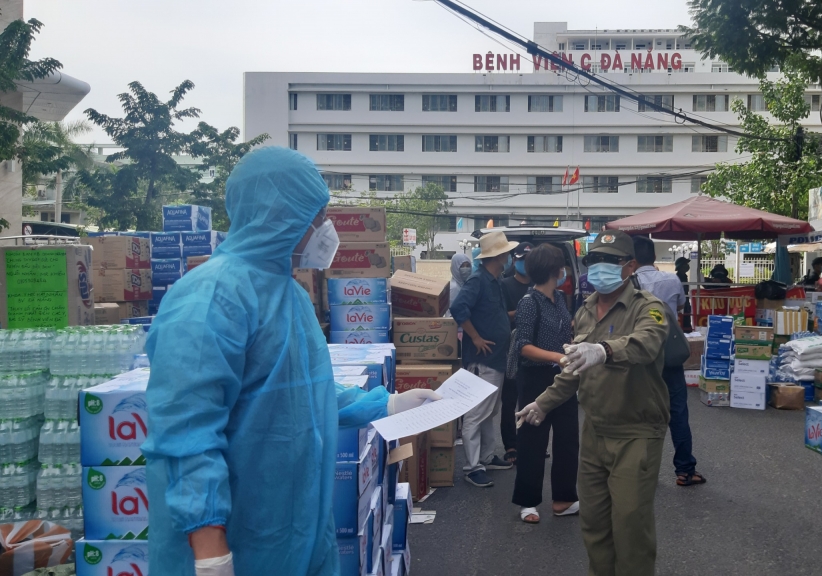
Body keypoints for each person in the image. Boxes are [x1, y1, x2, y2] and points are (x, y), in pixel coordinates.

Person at [141, 147, 440, 576]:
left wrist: (385, 405)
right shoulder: (209, 298)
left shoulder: (292, 296)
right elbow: (186, 433)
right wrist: (210, 550)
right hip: (235, 545)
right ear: (279, 215)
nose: (324, 229)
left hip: (297, 534)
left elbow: (305, 391)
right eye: (316, 217)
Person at [517, 230, 670, 576]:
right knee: (595, 526)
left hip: (636, 433)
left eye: (609, 261)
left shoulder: (650, 308)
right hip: (596, 431)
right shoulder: (585, 310)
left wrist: (604, 350)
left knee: (631, 528)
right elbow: (573, 370)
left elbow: (646, 343)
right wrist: (542, 403)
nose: (599, 268)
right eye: (594, 260)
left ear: (629, 266)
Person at [511, 243, 579, 524]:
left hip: (563, 377)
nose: (563, 271)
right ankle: (528, 502)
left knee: (568, 439)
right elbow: (523, 346)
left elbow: (566, 330)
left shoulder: (561, 299)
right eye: (561, 266)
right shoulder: (529, 302)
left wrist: (573, 350)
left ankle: (564, 498)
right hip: (535, 377)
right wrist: (558, 357)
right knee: (532, 441)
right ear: (554, 269)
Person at [633, 237, 705, 487]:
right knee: (678, 413)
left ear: (632, 258)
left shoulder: (630, 283)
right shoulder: (673, 279)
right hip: (669, 356)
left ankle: (639, 472)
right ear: (653, 256)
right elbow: (681, 308)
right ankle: (685, 470)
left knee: (640, 414)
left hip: (641, 357)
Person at [450, 231, 518, 487]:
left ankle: (487, 456)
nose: (510, 257)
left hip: (496, 358)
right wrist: (476, 338)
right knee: (477, 413)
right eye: (507, 253)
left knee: (490, 411)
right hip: (484, 359)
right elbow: (459, 309)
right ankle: (472, 466)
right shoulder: (478, 281)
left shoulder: (494, 280)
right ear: (499, 256)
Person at [500, 242, 534, 464]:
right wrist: (522, 311)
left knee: (532, 399)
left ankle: (530, 441)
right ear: (514, 260)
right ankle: (511, 445)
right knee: (510, 399)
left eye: (529, 260)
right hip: (511, 350)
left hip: (535, 350)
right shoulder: (504, 285)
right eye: (521, 259)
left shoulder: (539, 286)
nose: (524, 264)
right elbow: (501, 316)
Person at [675, 256, 693, 331]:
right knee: (682, 322)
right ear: (681, 266)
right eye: (685, 264)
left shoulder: (684, 276)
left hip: (686, 301)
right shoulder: (678, 277)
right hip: (681, 301)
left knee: (687, 320)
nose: (687, 266)